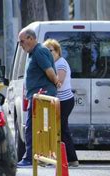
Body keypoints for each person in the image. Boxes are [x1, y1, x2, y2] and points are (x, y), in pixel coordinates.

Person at [17, 28, 59, 167]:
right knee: (38, 127)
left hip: (42, 95)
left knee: (33, 127)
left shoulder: (39, 51)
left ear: (30, 38)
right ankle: (42, 156)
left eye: (22, 41)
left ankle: (30, 158)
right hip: (37, 96)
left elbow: (50, 71)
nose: (21, 45)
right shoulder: (32, 53)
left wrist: (56, 82)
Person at [44, 39, 79, 167]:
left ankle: (71, 159)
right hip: (57, 101)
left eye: (51, 50)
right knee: (57, 129)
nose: (48, 53)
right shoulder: (52, 64)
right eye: (46, 51)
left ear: (58, 51)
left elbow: (59, 82)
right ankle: (59, 157)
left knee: (62, 129)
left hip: (64, 101)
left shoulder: (61, 64)